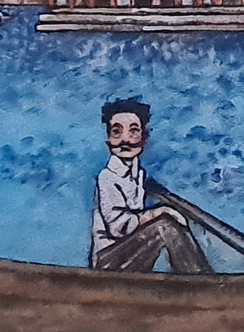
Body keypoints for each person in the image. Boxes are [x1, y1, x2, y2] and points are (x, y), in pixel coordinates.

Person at [89, 99, 212, 273]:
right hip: (108, 262)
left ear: (144, 137)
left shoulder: (138, 175)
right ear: (108, 139)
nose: (125, 139)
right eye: (116, 132)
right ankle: (201, 279)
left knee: (168, 226)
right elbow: (119, 228)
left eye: (133, 131)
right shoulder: (107, 178)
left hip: (131, 257)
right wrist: (159, 212)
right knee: (164, 226)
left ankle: (198, 275)